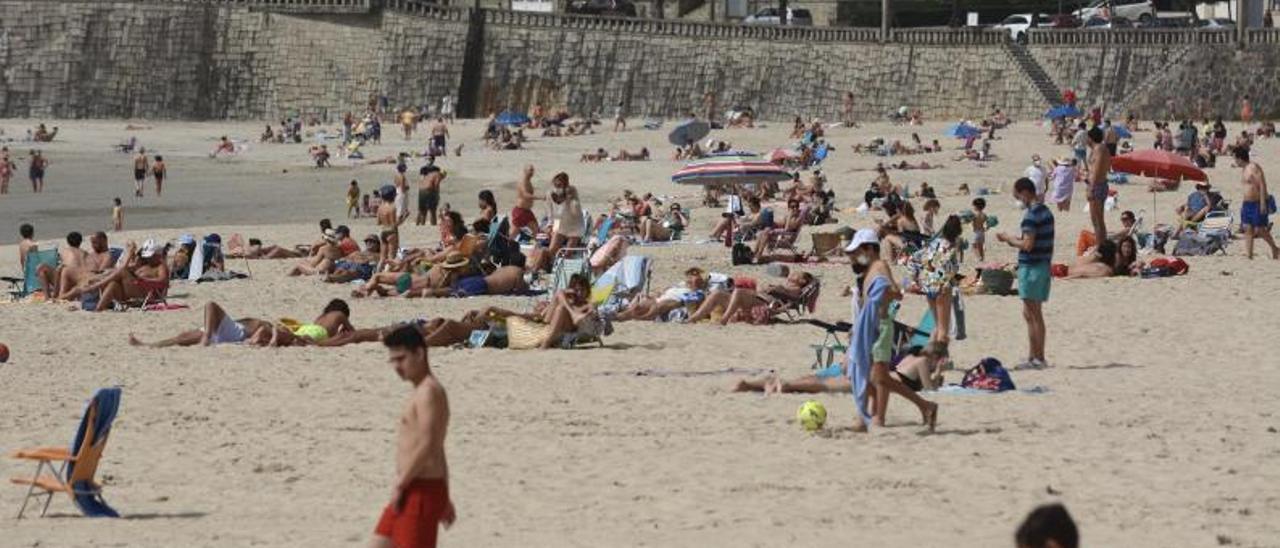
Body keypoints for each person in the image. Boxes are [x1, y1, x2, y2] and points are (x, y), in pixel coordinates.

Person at [368, 325, 455, 548]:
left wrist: (401, 484)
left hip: (420, 490)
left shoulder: (429, 392)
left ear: (419, 353)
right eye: (393, 361)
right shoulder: (421, 390)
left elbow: (429, 443)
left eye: (401, 359)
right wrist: (445, 493)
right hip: (414, 487)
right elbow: (438, 446)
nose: (397, 367)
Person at [846, 229, 938, 432]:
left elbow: (897, 294)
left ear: (869, 248)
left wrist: (882, 292)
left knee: (880, 377)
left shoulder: (880, 265)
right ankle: (870, 416)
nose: (854, 256)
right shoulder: (869, 269)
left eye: (857, 250)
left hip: (881, 327)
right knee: (866, 374)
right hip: (871, 328)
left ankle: (924, 406)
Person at [997, 177, 1054, 369]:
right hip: (1042, 265)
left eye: (1017, 195)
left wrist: (1008, 239)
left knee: (1033, 313)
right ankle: (1035, 356)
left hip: (1032, 267)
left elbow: (1027, 244)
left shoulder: (1032, 214)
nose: (1018, 199)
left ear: (1024, 192)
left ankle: (1038, 358)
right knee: (1030, 313)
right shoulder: (1045, 211)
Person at [909, 215, 962, 351]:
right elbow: (953, 268)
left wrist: (914, 279)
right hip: (942, 287)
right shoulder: (951, 246)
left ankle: (930, 356)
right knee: (944, 329)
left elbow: (914, 258)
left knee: (937, 326)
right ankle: (940, 360)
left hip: (927, 285)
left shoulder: (932, 243)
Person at [127, 301, 277, 347]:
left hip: (236, 332)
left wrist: (256, 339)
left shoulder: (264, 325)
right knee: (181, 338)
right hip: (228, 331)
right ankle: (147, 345)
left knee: (210, 305)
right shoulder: (256, 323)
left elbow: (271, 331)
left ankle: (206, 337)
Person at [1235, 147, 1279, 260]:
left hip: (1257, 203)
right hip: (1247, 204)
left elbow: (1262, 184)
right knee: (1247, 229)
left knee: (1260, 229)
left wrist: (1263, 203)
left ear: (1240, 158)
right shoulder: (1244, 169)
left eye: (1236, 159)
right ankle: (1249, 255)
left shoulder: (1253, 167)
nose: (1235, 162)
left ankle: (1274, 248)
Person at [1084, 126, 1110, 244]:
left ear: (1091, 138)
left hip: (1097, 185)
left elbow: (1097, 169)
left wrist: (1091, 187)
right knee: (1095, 219)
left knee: (1098, 220)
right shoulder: (1097, 149)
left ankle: (1101, 246)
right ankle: (1100, 245)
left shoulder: (1100, 148)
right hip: (1097, 184)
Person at [510, 165, 542, 239]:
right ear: (525, 171)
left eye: (532, 170)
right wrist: (540, 197)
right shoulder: (523, 182)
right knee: (514, 232)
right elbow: (525, 195)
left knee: (535, 228)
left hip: (526, 211)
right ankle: (504, 246)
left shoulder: (528, 182)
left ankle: (534, 244)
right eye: (530, 170)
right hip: (520, 211)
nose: (532, 172)